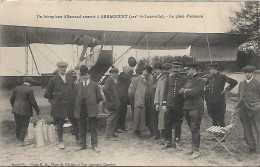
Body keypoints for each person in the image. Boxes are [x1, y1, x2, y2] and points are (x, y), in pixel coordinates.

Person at [44, 61, 77, 149]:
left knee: (75, 121)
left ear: (66, 68)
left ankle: (78, 139)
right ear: (58, 68)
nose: (63, 69)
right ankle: (61, 141)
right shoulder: (53, 80)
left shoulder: (70, 80)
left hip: (70, 105)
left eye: (64, 68)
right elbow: (47, 94)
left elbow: (74, 92)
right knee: (60, 123)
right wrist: (55, 99)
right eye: (61, 67)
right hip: (59, 106)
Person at [74, 65, 103, 152]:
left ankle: (94, 145)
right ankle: (83, 145)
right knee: (82, 127)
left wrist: (93, 103)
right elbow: (75, 97)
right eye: (83, 75)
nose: (85, 77)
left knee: (93, 127)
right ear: (81, 76)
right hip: (81, 109)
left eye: (86, 75)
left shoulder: (94, 85)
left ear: (89, 75)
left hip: (91, 109)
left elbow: (99, 97)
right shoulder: (78, 86)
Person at [179, 63, 205, 159]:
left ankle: (196, 150)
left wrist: (185, 91)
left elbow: (196, 92)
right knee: (191, 128)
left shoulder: (200, 80)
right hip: (187, 106)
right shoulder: (187, 80)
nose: (186, 71)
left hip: (196, 107)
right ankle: (193, 148)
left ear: (194, 69)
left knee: (195, 128)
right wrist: (185, 91)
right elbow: (180, 91)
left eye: (188, 69)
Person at [161, 62, 188, 150]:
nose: (175, 69)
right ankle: (168, 141)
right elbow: (165, 92)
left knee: (178, 123)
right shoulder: (168, 79)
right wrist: (164, 104)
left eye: (177, 68)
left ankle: (177, 141)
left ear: (180, 69)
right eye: (174, 68)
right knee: (167, 123)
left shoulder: (184, 79)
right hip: (169, 104)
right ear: (172, 68)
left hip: (179, 105)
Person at [205, 63, 238, 132]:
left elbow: (234, 82)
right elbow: (207, 87)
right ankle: (215, 135)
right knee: (214, 118)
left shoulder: (222, 76)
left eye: (210, 69)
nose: (209, 71)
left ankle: (222, 135)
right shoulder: (209, 77)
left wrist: (226, 90)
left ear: (216, 69)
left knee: (221, 118)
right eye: (209, 69)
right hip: (211, 101)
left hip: (220, 101)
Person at [235, 66, 260, 153]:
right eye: (245, 72)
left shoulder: (257, 83)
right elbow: (240, 97)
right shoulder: (241, 83)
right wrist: (237, 107)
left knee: (258, 129)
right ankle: (252, 147)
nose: (247, 74)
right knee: (247, 129)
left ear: (253, 73)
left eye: (249, 72)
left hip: (256, 109)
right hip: (244, 109)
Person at [10, 77, 40, 147]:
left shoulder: (16, 88)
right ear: (29, 83)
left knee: (18, 124)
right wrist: (37, 111)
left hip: (16, 110)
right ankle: (21, 141)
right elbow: (33, 102)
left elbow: (11, 99)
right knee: (24, 125)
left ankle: (18, 139)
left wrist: (14, 107)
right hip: (25, 110)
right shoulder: (29, 90)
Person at [128, 66, 153, 137]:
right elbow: (132, 92)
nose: (146, 73)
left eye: (148, 72)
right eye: (145, 71)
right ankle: (137, 131)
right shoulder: (136, 79)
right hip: (139, 100)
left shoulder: (150, 80)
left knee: (145, 115)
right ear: (143, 71)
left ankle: (143, 129)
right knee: (138, 115)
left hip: (147, 101)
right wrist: (135, 100)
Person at [154, 63, 172, 143]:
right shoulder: (161, 79)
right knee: (162, 121)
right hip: (162, 103)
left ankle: (173, 138)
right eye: (164, 70)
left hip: (172, 103)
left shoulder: (173, 78)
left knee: (171, 121)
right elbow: (157, 91)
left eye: (167, 69)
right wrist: (157, 103)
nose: (165, 71)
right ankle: (164, 138)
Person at [103, 67, 121, 140]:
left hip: (115, 102)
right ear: (110, 73)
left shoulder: (114, 80)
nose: (115, 75)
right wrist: (110, 98)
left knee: (114, 119)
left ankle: (112, 133)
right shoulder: (109, 80)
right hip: (111, 103)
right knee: (110, 119)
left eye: (116, 73)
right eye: (113, 73)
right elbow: (105, 89)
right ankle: (108, 135)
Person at [117, 66, 134, 133]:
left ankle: (123, 127)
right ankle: (118, 127)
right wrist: (132, 70)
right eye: (127, 69)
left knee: (124, 113)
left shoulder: (125, 77)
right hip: (121, 97)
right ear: (124, 70)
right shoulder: (121, 75)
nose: (128, 71)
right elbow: (126, 77)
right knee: (120, 113)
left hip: (124, 97)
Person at [150, 62, 163, 140]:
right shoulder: (155, 78)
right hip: (154, 100)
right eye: (154, 69)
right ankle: (156, 134)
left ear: (161, 70)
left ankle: (159, 135)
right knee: (154, 117)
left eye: (157, 69)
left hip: (158, 100)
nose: (155, 71)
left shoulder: (161, 78)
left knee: (158, 118)